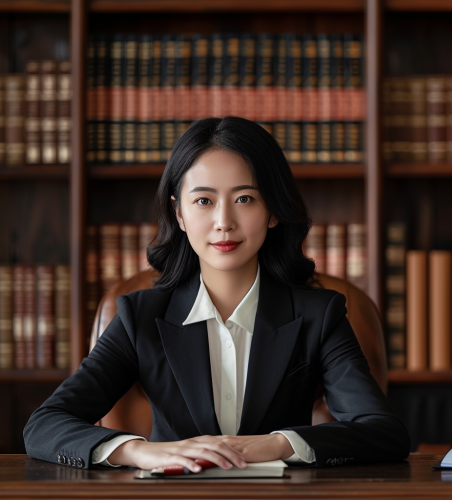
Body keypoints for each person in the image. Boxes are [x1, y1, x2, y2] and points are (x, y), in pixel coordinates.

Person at [24, 116, 411, 472]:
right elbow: (44, 426)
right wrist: (140, 450)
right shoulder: (139, 316)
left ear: (273, 211)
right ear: (179, 214)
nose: (224, 222)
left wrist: (275, 445)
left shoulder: (319, 314)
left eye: (244, 198)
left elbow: (383, 432)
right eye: (204, 201)